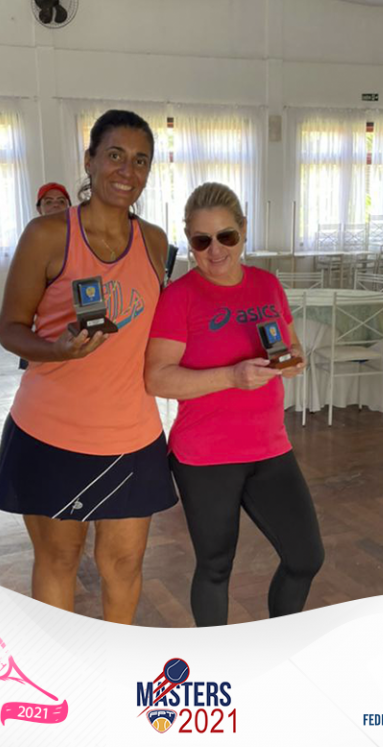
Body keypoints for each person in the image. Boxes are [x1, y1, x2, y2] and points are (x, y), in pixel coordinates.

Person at [0, 110, 178, 624]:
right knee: (59, 560)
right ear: (90, 160)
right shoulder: (47, 235)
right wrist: (57, 349)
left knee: (124, 564)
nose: (127, 170)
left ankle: (115, 661)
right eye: (115, 155)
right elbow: (9, 327)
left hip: (133, 435)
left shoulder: (154, 241)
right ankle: (62, 666)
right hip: (51, 432)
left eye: (140, 160)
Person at [144, 182, 325, 627]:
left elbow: (291, 344)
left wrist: (293, 360)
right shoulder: (180, 297)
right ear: (189, 241)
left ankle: (275, 646)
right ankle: (217, 658)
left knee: (305, 557)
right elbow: (156, 378)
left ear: (244, 230)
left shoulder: (267, 285)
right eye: (201, 241)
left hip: (270, 448)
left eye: (226, 236)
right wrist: (231, 376)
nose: (215, 250)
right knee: (216, 566)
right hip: (205, 457)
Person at [19, 183, 75, 370]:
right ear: (39, 208)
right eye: (48, 202)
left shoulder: (78, 236)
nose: (55, 205)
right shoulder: (33, 238)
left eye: (61, 201)